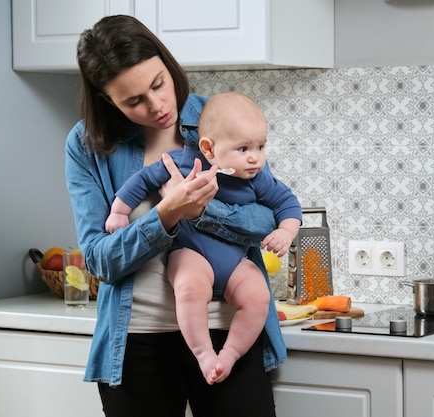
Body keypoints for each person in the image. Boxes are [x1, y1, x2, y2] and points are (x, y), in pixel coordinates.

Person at [66, 14, 286, 417]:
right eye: (134, 101)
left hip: (226, 329)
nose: (158, 105)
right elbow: (98, 260)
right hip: (136, 345)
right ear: (106, 100)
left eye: (158, 84)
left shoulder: (217, 118)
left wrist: (205, 213)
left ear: (167, 64)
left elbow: (266, 218)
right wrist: (164, 215)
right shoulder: (87, 146)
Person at [105, 92, 302, 384]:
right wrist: (120, 211)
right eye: (244, 148)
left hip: (236, 263)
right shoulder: (181, 163)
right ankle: (204, 354)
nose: (255, 157)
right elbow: (141, 181)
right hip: (191, 254)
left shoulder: (256, 177)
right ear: (209, 148)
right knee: (189, 289)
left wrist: (286, 231)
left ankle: (230, 354)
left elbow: (288, 204)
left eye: (261, 146)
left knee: (258, 296)